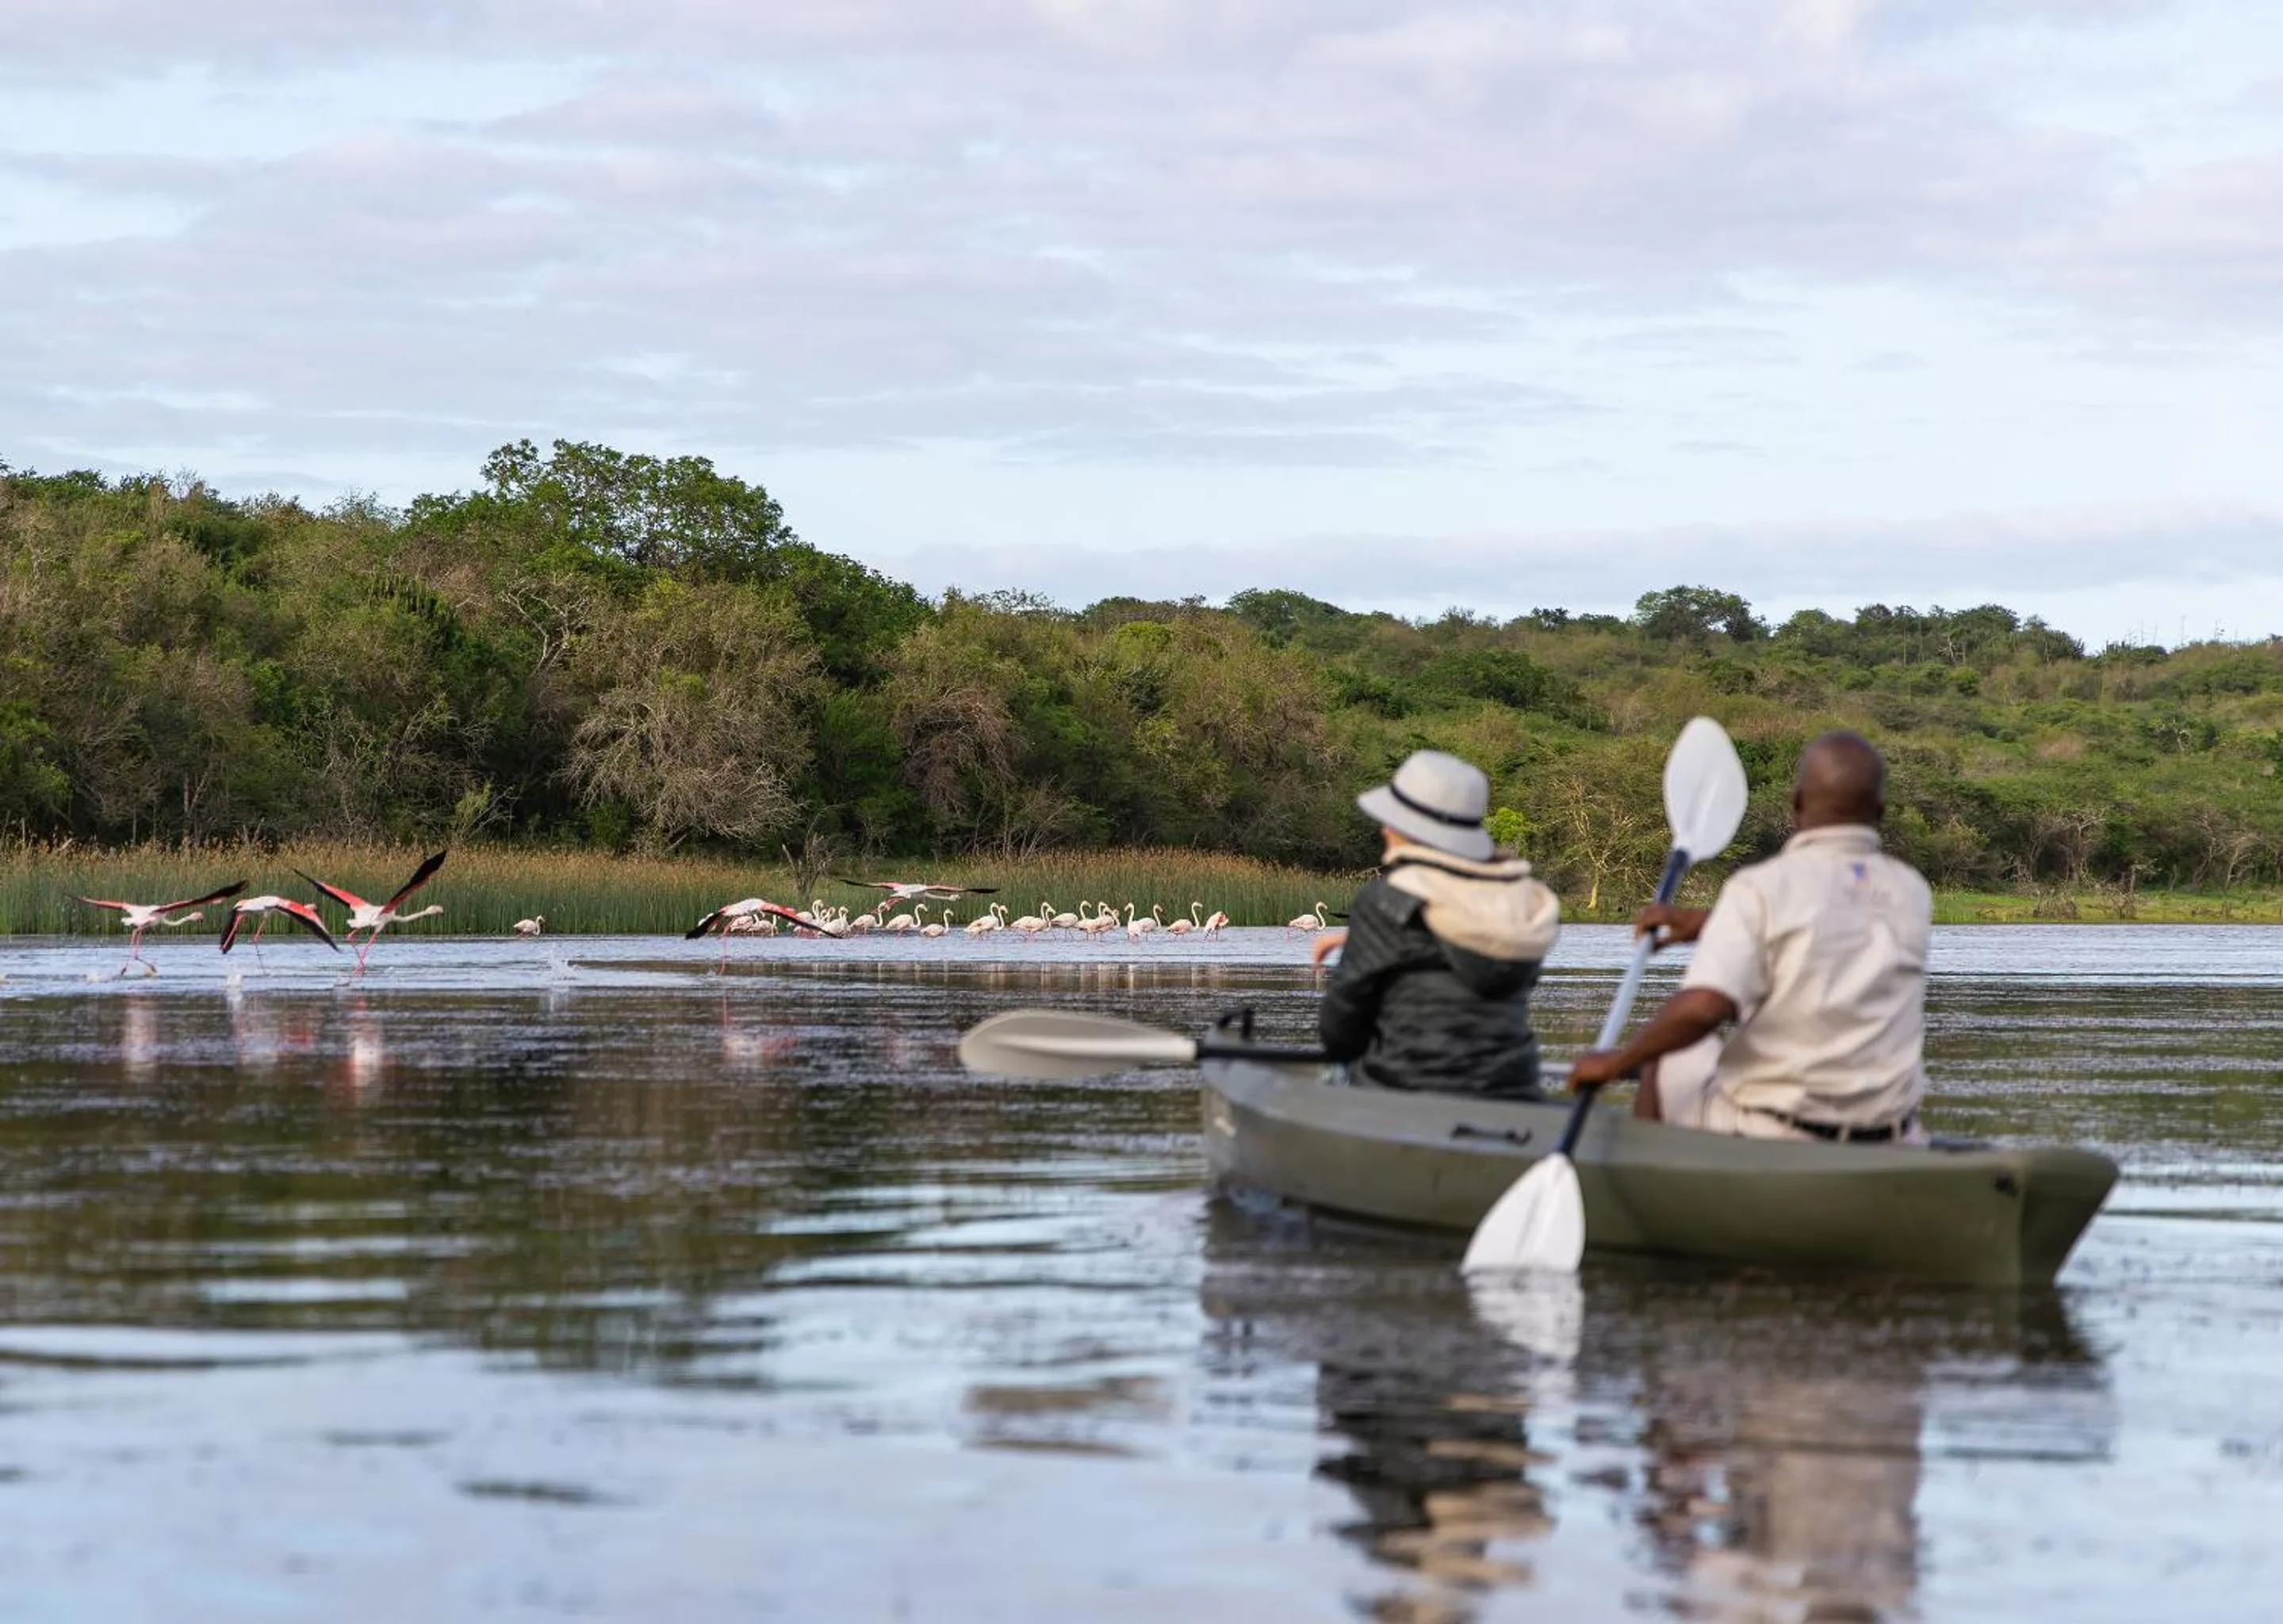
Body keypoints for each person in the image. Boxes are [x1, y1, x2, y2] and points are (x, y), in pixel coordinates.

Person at [1569, 730, 1931, 1143]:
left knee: (1667, 1053)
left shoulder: (1763, 887)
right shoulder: (1911, 891)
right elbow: (1833, 930)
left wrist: (1616, 1064)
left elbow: (1704, 1007)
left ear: (1796, 806)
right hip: (1892, 1137)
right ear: (1880, 810)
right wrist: (1713, 923)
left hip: (1778, 1134)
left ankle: (1649, 1173)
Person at [1315, 749, 1561, 1098]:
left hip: (1405, 1087)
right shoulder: (1525, 905)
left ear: (1409, 828)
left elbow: (1340, 1032)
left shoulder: (1387, 899)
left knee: (1334, 1074)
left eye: (1392, 819)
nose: (1384, 828)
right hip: (1516, 1088)